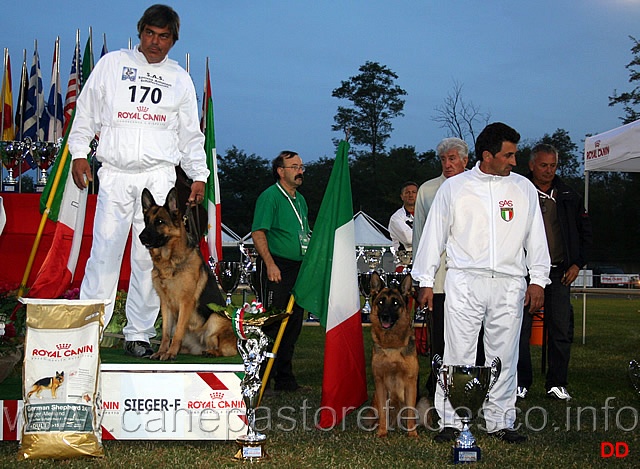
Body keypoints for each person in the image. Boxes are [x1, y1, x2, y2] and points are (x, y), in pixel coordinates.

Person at [69, 4, 209, 357]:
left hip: (158, 175)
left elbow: (191, 134)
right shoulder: (112, 65)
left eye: (164, 36)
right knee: (103, 251)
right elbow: (85, 110)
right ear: (139, 32)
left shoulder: (180, 78)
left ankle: (140, 333)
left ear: (173, 40)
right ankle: (89, 331)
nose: (155, 42)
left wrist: (198, 174)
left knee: (150, 258)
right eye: (150, 33)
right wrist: (78, 152)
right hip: (115, 173)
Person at [412, 122, 550, 444]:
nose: (514, 162)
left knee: (503, 355)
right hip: (465, 280)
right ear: (487, 155)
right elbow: (433, 237)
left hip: (510, 282)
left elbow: (537, 239)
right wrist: (425, 281)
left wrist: (539, 280)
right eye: (509, 155)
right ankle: (451, 419)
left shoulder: (524, 189)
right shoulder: (455, 187)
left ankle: (500, 420)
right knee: (458, 352)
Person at [517, 144, 592, 401]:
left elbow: (585, 233)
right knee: (520, 330)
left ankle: (557, 383)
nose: (549, 171)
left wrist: (576, 264)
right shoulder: (518, 191)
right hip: (526, 273)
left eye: (553, 166)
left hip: (560, 271)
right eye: (543, 165)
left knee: (561, 329)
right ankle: (520, 382)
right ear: (531, 165)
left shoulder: (569, 194)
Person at [412, 137, 482, 401]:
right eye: (443, 159)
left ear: (465, 159)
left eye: (452, 158)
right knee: (439, 337)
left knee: (474, 334)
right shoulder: (428, 191)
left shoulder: (478, 188)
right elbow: (420, 236)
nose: (447, 164)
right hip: (438, 280)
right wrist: (421, 279)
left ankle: (472, 384)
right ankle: (438, 386)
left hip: (473, 279)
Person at [251, 151, 311, 392]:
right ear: (280, 170)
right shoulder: (270, 197)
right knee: (274, 324)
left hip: (298, 268)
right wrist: (270, 263)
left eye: (302, 166)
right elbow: (258, 232)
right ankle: (261, 378)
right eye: (294, 166)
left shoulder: (301, 200)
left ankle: (285, 379)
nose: (300, 171)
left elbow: (303, 233)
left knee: (294, 323)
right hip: (276, 267)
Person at [388, 181, 418, 268]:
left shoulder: (426, 215)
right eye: (407, 192)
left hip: (423, 265)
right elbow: (409, 239)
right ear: (402, 196)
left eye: (414, 192)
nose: (411, 195)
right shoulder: (396, 218)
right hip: (404, 266)